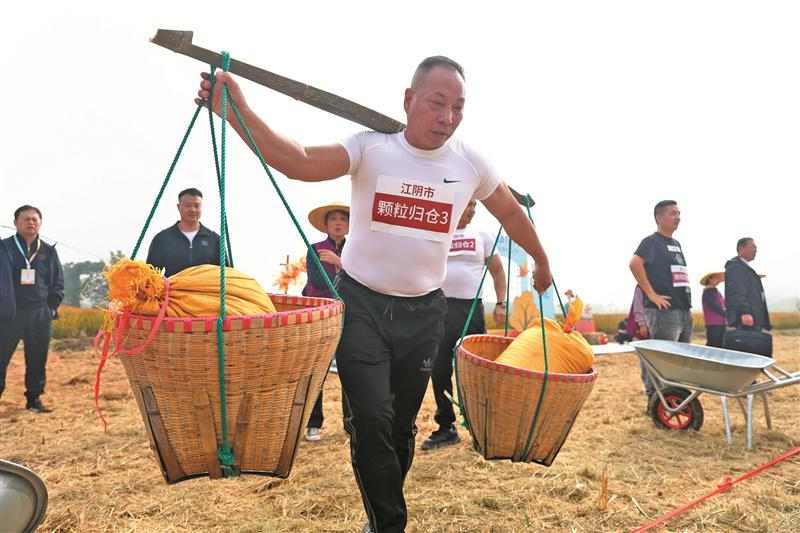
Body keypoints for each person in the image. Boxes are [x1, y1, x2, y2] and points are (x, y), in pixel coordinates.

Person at [197, 55, 552, 533]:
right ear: (409, 101)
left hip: (426, 312)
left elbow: (511, 214)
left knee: (400, 426)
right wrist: (234, 109)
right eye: (436, 103)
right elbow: (297, 161)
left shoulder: (468, 163)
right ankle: (390, 525)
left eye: (457, 108)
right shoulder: (370, 148)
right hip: (361, 305)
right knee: (369, 420)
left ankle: (378, 517)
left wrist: (543, 260)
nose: (446, 118)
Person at [421, 199, 506, 451]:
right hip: (439, 310)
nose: (470, 211)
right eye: (466, 205)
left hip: (470, 310)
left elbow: (498, 272)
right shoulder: (436, 235)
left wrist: (501, 303)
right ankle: (446, 426)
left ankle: (481, 426)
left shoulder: (482, 235)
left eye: (474, 207)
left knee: (474, 370)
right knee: (439, 368)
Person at [0, 206, 64, 413]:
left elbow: (57, 282)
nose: (31, 223)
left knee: (37, 358)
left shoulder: (48, 251)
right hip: (9, 314)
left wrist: (51, 307)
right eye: (26, 219)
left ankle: (34, 399)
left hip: (39, 313)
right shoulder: (5, 248)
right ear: (16, 223)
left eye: (35, 220)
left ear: (40, 223)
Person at [629, 200, 692, 400]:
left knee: (679, 360)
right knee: (661, 359)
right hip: (663, 312)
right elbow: (634, 263)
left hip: (683, 310)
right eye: (673, 213)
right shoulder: (651, 242)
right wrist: (651, 294)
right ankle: (656, 400)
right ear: (659, 218)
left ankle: (674, 398)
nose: (678, 217)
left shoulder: (676, 244)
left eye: (679, 213)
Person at [301, 202, 350, 442]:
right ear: (327, 225)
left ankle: (351, 423)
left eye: (343, 219)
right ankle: (313, 423)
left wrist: (338, 262)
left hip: (351, 315)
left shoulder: (356, 249)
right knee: (317, 369)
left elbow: (365, 276)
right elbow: (318, 280)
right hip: (321, 315)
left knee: (352, 369)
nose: (339, 223)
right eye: (334, 219)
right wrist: (339, 265)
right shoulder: (315, 249)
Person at [146, 188, 225, 277]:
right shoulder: (162, 239)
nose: (192, 209)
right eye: (188, 205)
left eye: (196, 206)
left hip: (207, 290)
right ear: (178, 207)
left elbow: (227, 273)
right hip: (173, 289)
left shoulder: (215, 239)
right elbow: (150, 275)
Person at [724, 238, 771, 355]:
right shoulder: (735, 267)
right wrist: (745, 312)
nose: (756, 250)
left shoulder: (745, 268)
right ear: (741, 248)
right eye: (753, 247)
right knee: (745, 350)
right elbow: (736, 292)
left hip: (753, 317)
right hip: (745, 319)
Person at [699, 272, 726, 348]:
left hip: (721, 322)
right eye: (716, 278)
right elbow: (714, 307)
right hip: (713, 323)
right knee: (713, 345)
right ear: (710, 279)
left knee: (720, 345)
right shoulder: (708, 292)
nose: (718, 280)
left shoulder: (716, 291)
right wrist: (727, 314)